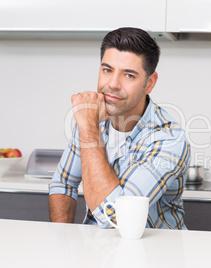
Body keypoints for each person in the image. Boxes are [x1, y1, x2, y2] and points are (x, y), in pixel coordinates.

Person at [49, 27, 190, 230]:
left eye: (129, 75)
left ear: (149, 83)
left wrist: (89, 128)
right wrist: (62, 240)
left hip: (154, 256)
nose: (113, 84)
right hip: (96, 252)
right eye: (107, 70)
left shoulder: (169, 139)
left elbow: (116, 218)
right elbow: (63, 183)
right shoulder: (92, 119)